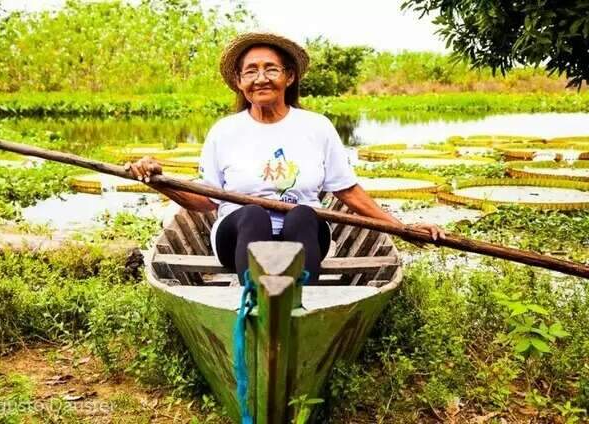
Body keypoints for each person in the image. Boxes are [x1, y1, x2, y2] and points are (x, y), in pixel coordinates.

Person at [126, 32, 445, 283]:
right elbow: (206, 200)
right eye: (250, 71)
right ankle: (256, 291)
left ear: (289, 77)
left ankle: (297, 297)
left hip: (305, 234)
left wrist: (400, 227)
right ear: (239, 82)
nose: (260, 78)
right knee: (253, 215)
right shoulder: (225, 131)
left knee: (304, 215)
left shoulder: (316, 127)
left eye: (270, 69)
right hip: (236, 236)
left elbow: (347, 191)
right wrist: (157, 181)